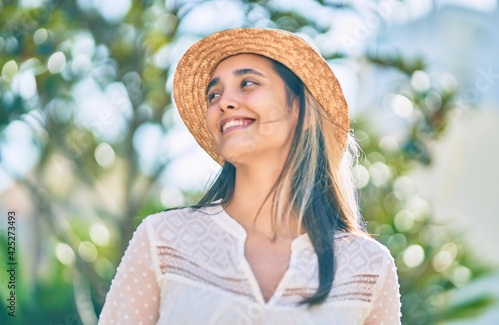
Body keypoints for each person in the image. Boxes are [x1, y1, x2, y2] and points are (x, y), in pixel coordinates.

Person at [98, 28, 401, 324]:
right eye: (213, 94)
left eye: (247, 83)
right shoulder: (164, 238)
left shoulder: (368, 267)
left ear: (304, 111)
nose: (223, 102)